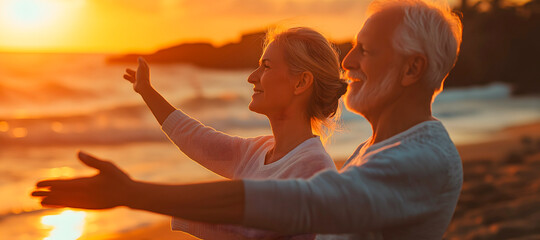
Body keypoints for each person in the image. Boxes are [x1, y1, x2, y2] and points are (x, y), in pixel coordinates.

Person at [32, 0, 464, 239]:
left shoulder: (423, 161)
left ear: (412, 70)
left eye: (365, 50)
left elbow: (304, 205)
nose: (347, 60)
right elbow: (205, 142)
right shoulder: (370, 152)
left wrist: (134, 193)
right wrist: (148, 93)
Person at [111, 27, 349, 239]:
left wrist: (136, 195)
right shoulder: (259, 151)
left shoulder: (314, 168)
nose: (251, 77)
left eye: (266, 66)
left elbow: (246, 229)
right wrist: (146, 91)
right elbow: (197, 139)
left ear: (301, 83)